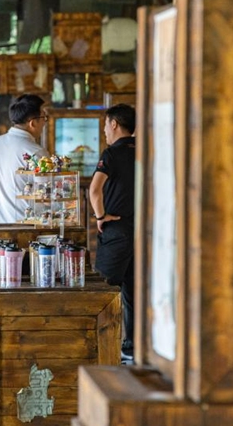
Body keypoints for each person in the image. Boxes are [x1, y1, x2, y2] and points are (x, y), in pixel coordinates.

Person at [88, 104, 136, 364]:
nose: (105, 130)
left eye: (106, 125)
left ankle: (103, 349)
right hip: (140, 230)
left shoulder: (112, 153)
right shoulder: (144, 151)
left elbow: (94, 190)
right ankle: (131, 348)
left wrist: (100, 216)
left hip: (116, 230)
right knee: (133, 292)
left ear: (115, 124)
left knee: (104, 291)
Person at [0, 94, 50, 223]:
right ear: (32, 123)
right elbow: (46, 197)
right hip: (27, 227)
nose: (45, 123)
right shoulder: (36, 152)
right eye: (44, 118)